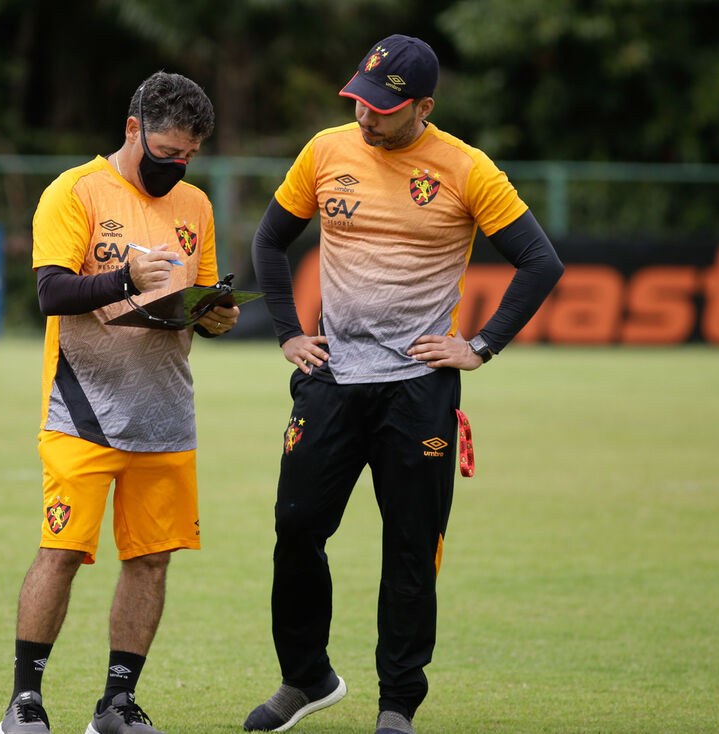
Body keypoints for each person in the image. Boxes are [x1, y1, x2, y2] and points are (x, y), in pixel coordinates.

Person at [243, 35, 564, 734]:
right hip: (330, 377)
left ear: (423, 107)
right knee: (296, 527)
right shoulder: (325, 152)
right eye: (359, 100)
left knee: (411, 545)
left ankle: (397, 703)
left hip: (419, 387)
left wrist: (479, 346)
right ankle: (306, 679)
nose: (366, 116)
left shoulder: (467, 169)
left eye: (383, 108)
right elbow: (269, 241)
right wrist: (288, 332)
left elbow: (540, 262)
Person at [0, 71, 239, 734]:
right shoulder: (76, 192)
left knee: (152, 560)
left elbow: (202, 298)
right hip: (82, 410)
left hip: (165, 413)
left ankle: (116, 706)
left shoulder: (196, 206)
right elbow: (49, 293)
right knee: (63, 550)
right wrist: (122, 278)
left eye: (187, 156)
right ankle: (24, 703)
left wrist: (215, 317)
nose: (174, 166)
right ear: (133, 129)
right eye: (164, 152)